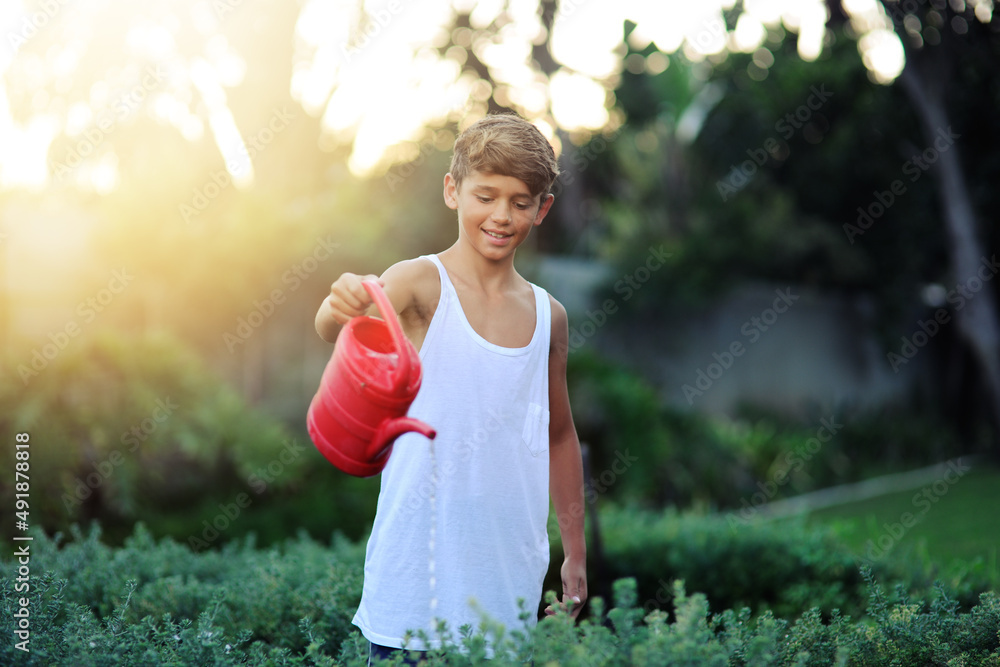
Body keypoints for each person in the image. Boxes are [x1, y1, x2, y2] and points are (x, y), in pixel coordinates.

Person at [314, 113, 587, 662]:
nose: (501, 215)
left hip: (506, 589)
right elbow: (339, 328)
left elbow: (559, 436)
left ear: (542, 208)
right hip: (413, 587)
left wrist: (574, 556)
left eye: (519, 201)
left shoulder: (549, 316)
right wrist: (335, 303)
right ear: (452, 191)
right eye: (485, 196)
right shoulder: (419, 282)